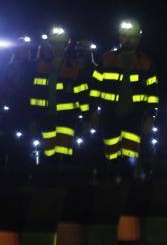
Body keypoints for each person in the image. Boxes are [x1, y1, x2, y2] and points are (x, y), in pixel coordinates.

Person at [90, 19, 159, 166]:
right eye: (124, 36)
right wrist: (93, 112)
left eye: (132, 36)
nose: (127, 40)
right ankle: (111, 183)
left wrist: (151, 116)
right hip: (110, 116)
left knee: (131, 157)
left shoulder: (146, 62)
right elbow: (95, 88)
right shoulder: (107, 58)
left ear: (139, 39)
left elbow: (152, 93)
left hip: (134, 117)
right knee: (110, 156)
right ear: (119, 37)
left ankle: (128, 183)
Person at [27, 26, 90, 160]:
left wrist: (87, 116)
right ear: (50, 44)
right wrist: (32, 117)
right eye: (55, 42)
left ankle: (62, 177)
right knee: (47, 153)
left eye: (61, 43)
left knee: (64, 153)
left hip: (66, 117)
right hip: (45, 115)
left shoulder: (74, 66)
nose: (58, 46)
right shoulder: (39, 66)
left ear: (67, 44)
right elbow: (33, 94)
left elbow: (82, 92)